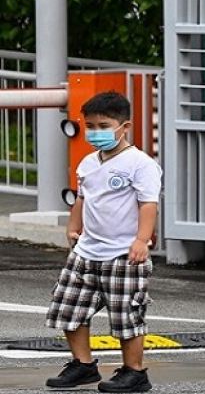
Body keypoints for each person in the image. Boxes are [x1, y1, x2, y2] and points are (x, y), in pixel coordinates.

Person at [45, 92, 162, 392]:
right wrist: (74, 227)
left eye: (104, 125)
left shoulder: (140, 164)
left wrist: (141, 239)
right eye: (90, 126)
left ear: (125, 126)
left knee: (127, 315)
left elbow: (148, 204)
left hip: (124, 255)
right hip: (86, 251)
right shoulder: (87, 162)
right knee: (69, 309)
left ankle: (134, 372)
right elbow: (82, 198)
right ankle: (83, 365)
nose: (96, 132)